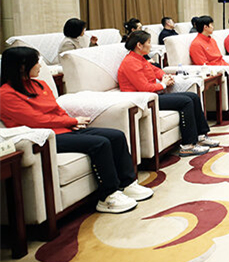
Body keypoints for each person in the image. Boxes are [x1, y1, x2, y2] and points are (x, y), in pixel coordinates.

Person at [1, 47, 153, 213]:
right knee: (100, 144)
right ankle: (108, 196)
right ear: (22, 67)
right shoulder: (5, 94)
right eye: (36, 62)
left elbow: (56, 109)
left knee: (116, 136)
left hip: (63, 129)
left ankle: (128, 183)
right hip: (44, 137)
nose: (39, 66)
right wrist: (71, 120)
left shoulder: (40, 84)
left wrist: (69, 122)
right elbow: (35, 120)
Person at [118, 31, 217, 157]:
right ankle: (188, 145)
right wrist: (163, 84)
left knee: (193, 97)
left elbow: (156, 71)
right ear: (139, 45)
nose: (151, 45)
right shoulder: (130, 62)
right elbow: (144, 88)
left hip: (153, 95)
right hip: (144, 99)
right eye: (149, 42)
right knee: (186, 102)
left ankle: (201, 135)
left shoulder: (140, 58)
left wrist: (166, 77)